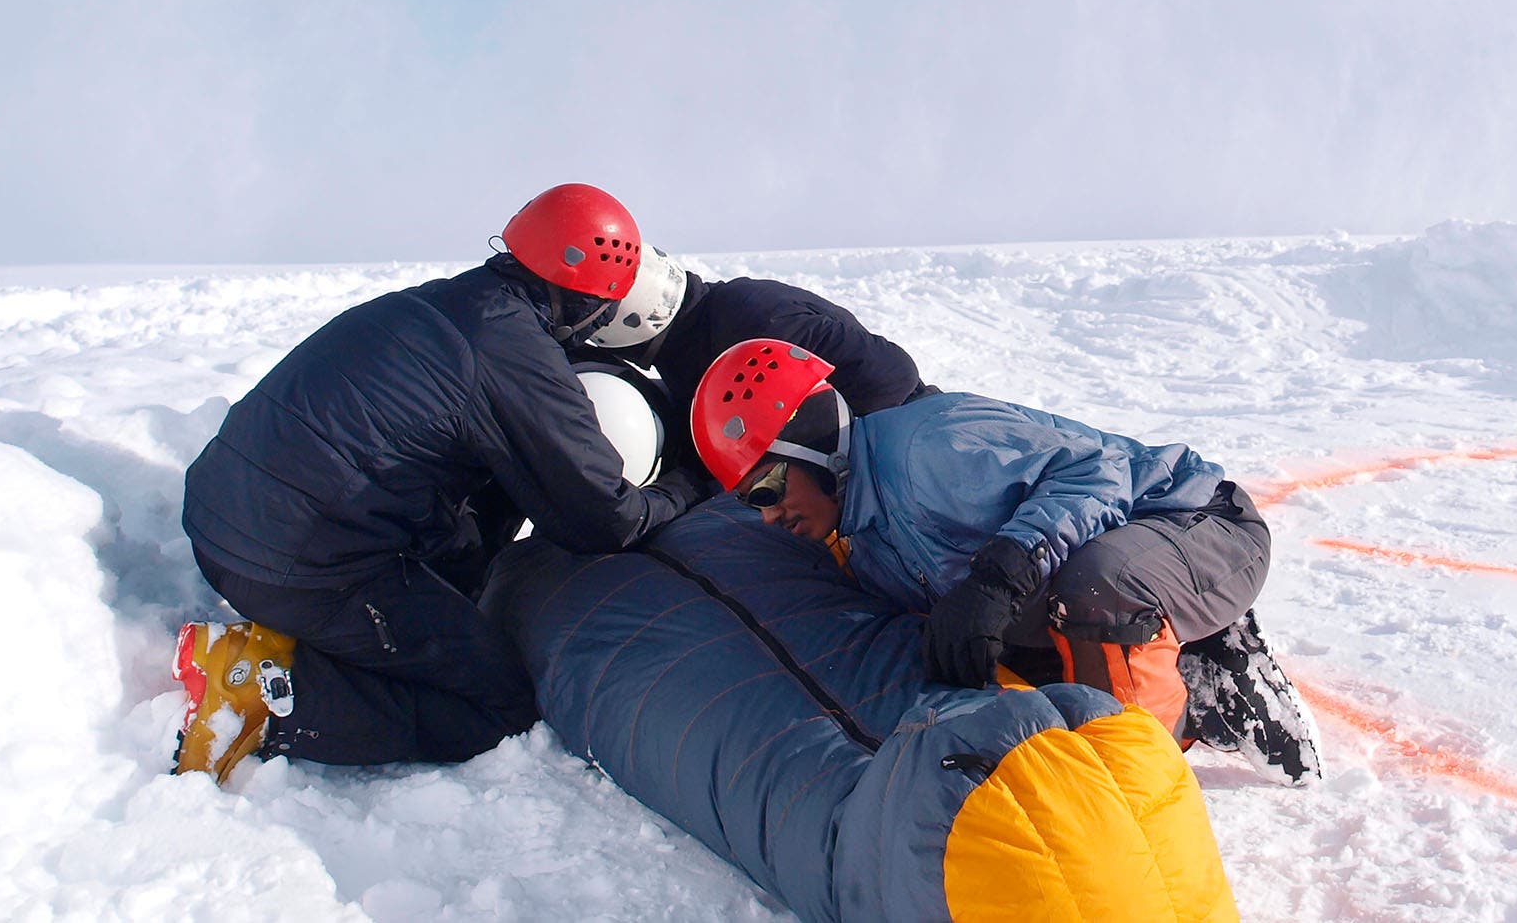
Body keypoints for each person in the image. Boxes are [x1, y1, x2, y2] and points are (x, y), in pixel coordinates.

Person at [170, 184, 713, 782]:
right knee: (499, 705)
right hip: (293, 568)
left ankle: (314, 646)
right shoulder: (513, 351)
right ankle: (266, 696)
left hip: (222, 521)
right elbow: (604, 518)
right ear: (591, 300)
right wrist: (689, 486)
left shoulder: (443, 303)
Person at [689, 339, 1322, 784]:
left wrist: (999, 574)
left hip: (1199, 524)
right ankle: (1198, 688)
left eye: (767, 489)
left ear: (813, 446)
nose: (767, 516)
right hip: (1110, 560)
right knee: (999, 657)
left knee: (1094, 588)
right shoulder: (869, 542)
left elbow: (1097, 474)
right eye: (749, 503)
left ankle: (1142, 783)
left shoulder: (928, 447)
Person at [582, 242, 928, 465]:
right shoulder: (690, 341)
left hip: (911, 453)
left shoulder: (748, 319)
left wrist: (829, 467)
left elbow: (892, 376)